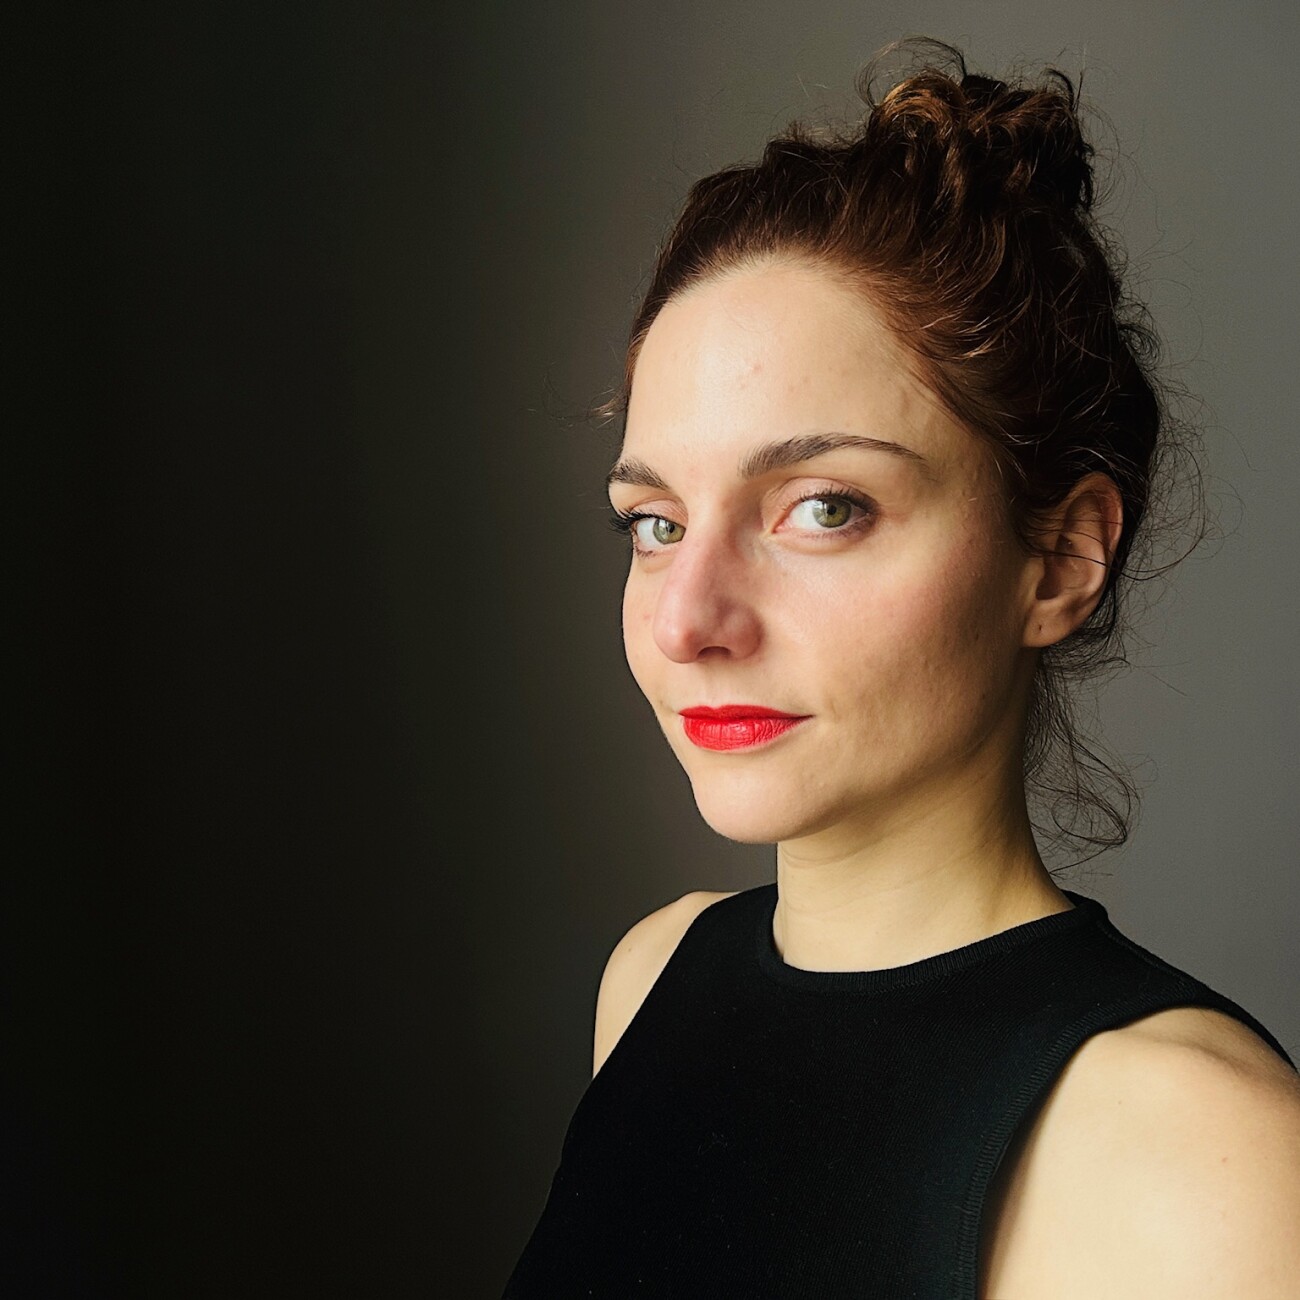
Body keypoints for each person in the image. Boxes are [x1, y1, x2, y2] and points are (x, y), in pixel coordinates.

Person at [503, 37, 1300, 1299]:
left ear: (1059, 560)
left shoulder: (1199, 1155)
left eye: (823, 508)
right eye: (654, 523)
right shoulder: (653, 978)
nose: (688, 621)